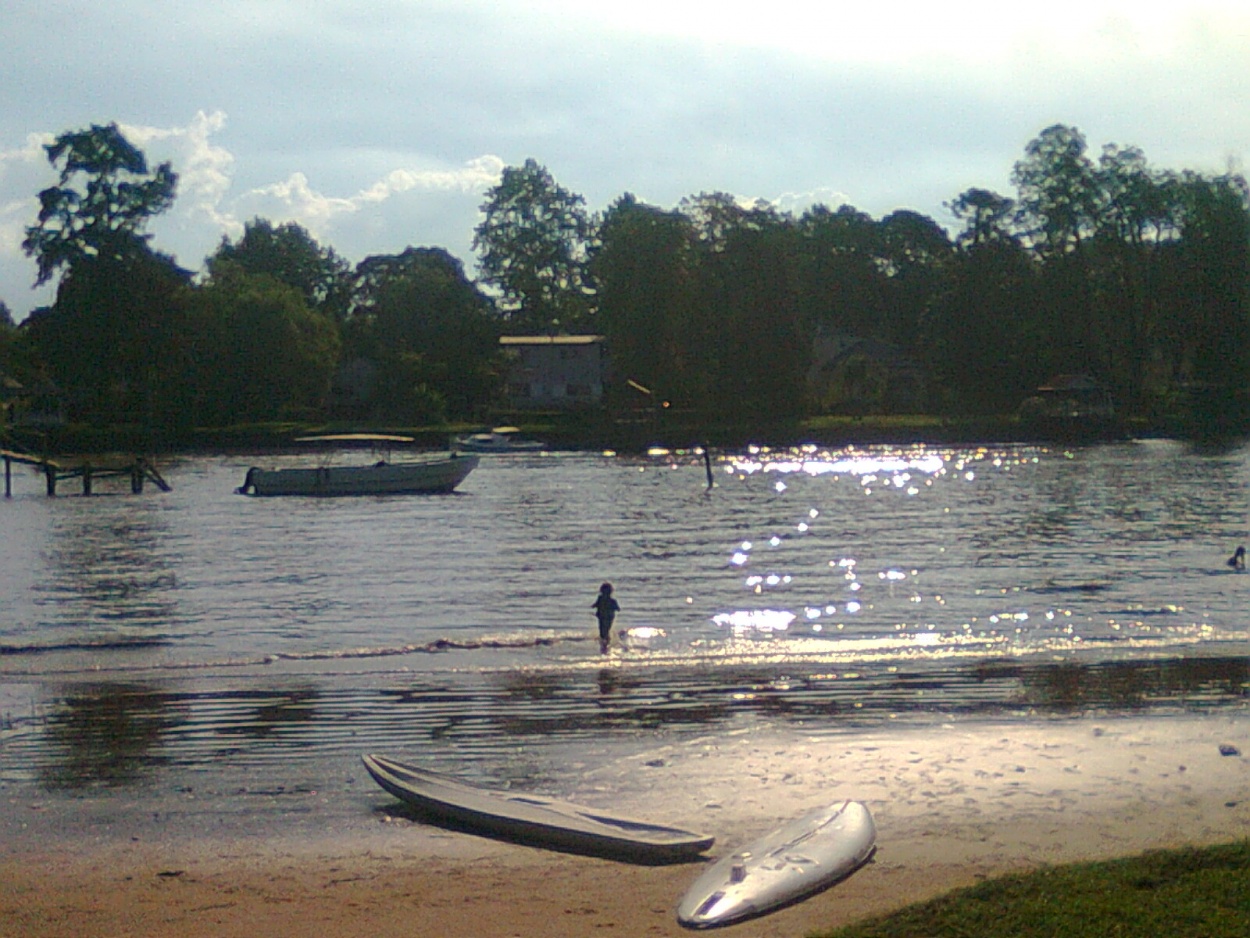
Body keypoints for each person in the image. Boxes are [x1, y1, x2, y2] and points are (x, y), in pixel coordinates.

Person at [592, 582, 620, 652]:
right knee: (603, 630)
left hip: (606, 617)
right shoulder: (605, 600)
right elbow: (618, 609)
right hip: (603, 616)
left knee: (605, 630)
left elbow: (618, 608)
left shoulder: (605, 599)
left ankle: (605, 644)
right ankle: (605, 644)